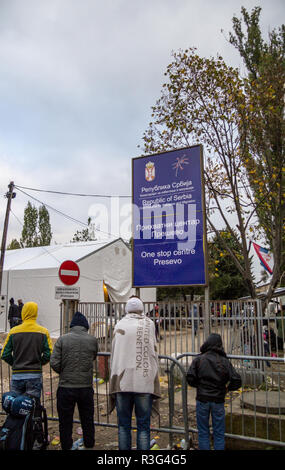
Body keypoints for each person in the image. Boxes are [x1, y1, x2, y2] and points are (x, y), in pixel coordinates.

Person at [109, 296, 160, 450]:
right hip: (143, 382)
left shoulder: (119, 324)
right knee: (143, 426)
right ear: (142, 309)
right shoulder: (149, 324)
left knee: (123, 425)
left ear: (126, 309)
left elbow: (114, 352)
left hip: (122, 384)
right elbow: (153, 348)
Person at [50, 311, 98, 451]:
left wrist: (63, 372)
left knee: (65, 420)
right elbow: (93, 356)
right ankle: (89, 443)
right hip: (85, 387)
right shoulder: (92, 340)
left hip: (66, 386)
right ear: (85, 326)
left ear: (71, 326)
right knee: (87, 418)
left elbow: (54, 362)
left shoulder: (62, 339)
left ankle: (66, 445)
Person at [186, 333, 242, 450]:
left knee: (203, 432)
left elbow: (190, 377)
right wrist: (227, 388)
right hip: (218, 400)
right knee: (219, 433)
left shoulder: (199, 359)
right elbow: (237, 380)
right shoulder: (224, 361)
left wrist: (199, 386)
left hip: (202, 399)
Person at [1, 301, 53, 400]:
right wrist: (39, 363)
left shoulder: (13, 331)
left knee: (16, 407)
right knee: (33, 407)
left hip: (17, 375)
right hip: (34, 375)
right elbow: (49, 354)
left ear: (23, 312)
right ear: (35, 313)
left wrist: (15, 363)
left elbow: (5, 354)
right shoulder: (43, 332)